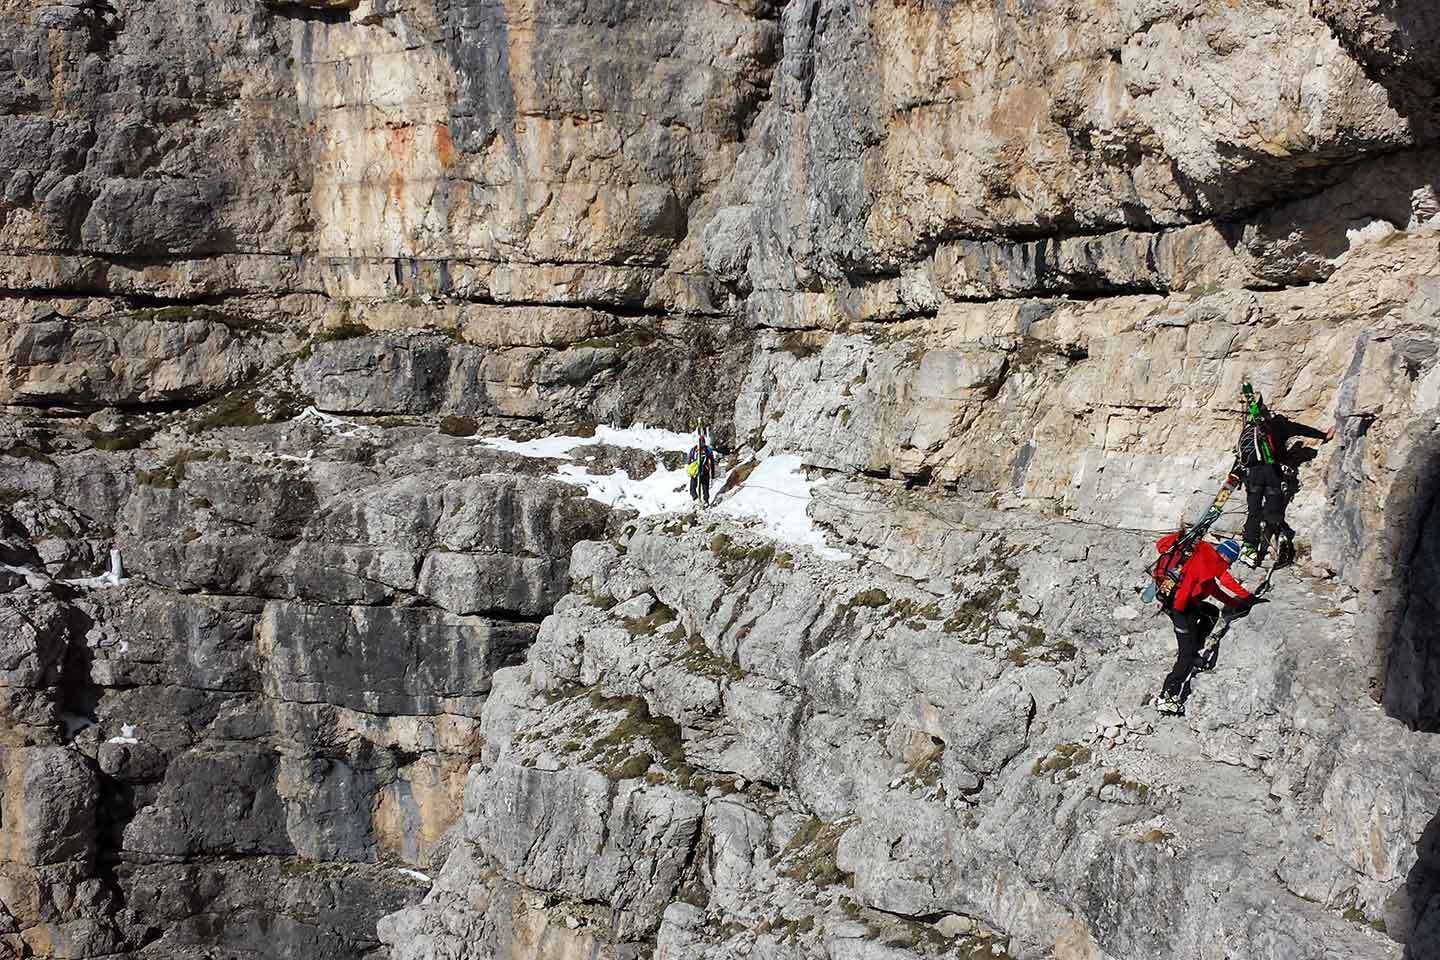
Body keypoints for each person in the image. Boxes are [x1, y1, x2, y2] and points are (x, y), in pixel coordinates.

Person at [1153, 534, 1255, 715]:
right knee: (1186, 655)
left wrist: (1234, 603)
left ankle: (1195, 649)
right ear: (1226, 556)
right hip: (1181, 608)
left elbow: (1212, 588)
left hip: (1180, 602)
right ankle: (1167, 695)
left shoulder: (1202, 558)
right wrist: (1247, 598)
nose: (1229, 565)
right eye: (1230, 561)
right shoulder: (1213, 563)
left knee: (1211, 612)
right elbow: (1225, 581)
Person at [1236, 388, 1334, 567]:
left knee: (1253, 512)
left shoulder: (1247, 431)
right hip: (1272, 472)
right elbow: (1300, 429)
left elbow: (1241, 456)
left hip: (1252, 476)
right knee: (1273, 510)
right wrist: (1323, 435)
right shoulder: (1278, 424)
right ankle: (1282, 544)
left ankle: (1248, 549)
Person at [686, 431, 717, 505]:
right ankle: (705, 501)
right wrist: (712, 474)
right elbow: (712, 462)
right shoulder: (708, 450)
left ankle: (697, 499)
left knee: (694, 488)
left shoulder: (693, 450)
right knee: (705, 488)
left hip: (696, 471)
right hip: (704, 471)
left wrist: (690, 471)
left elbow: (689, 462)